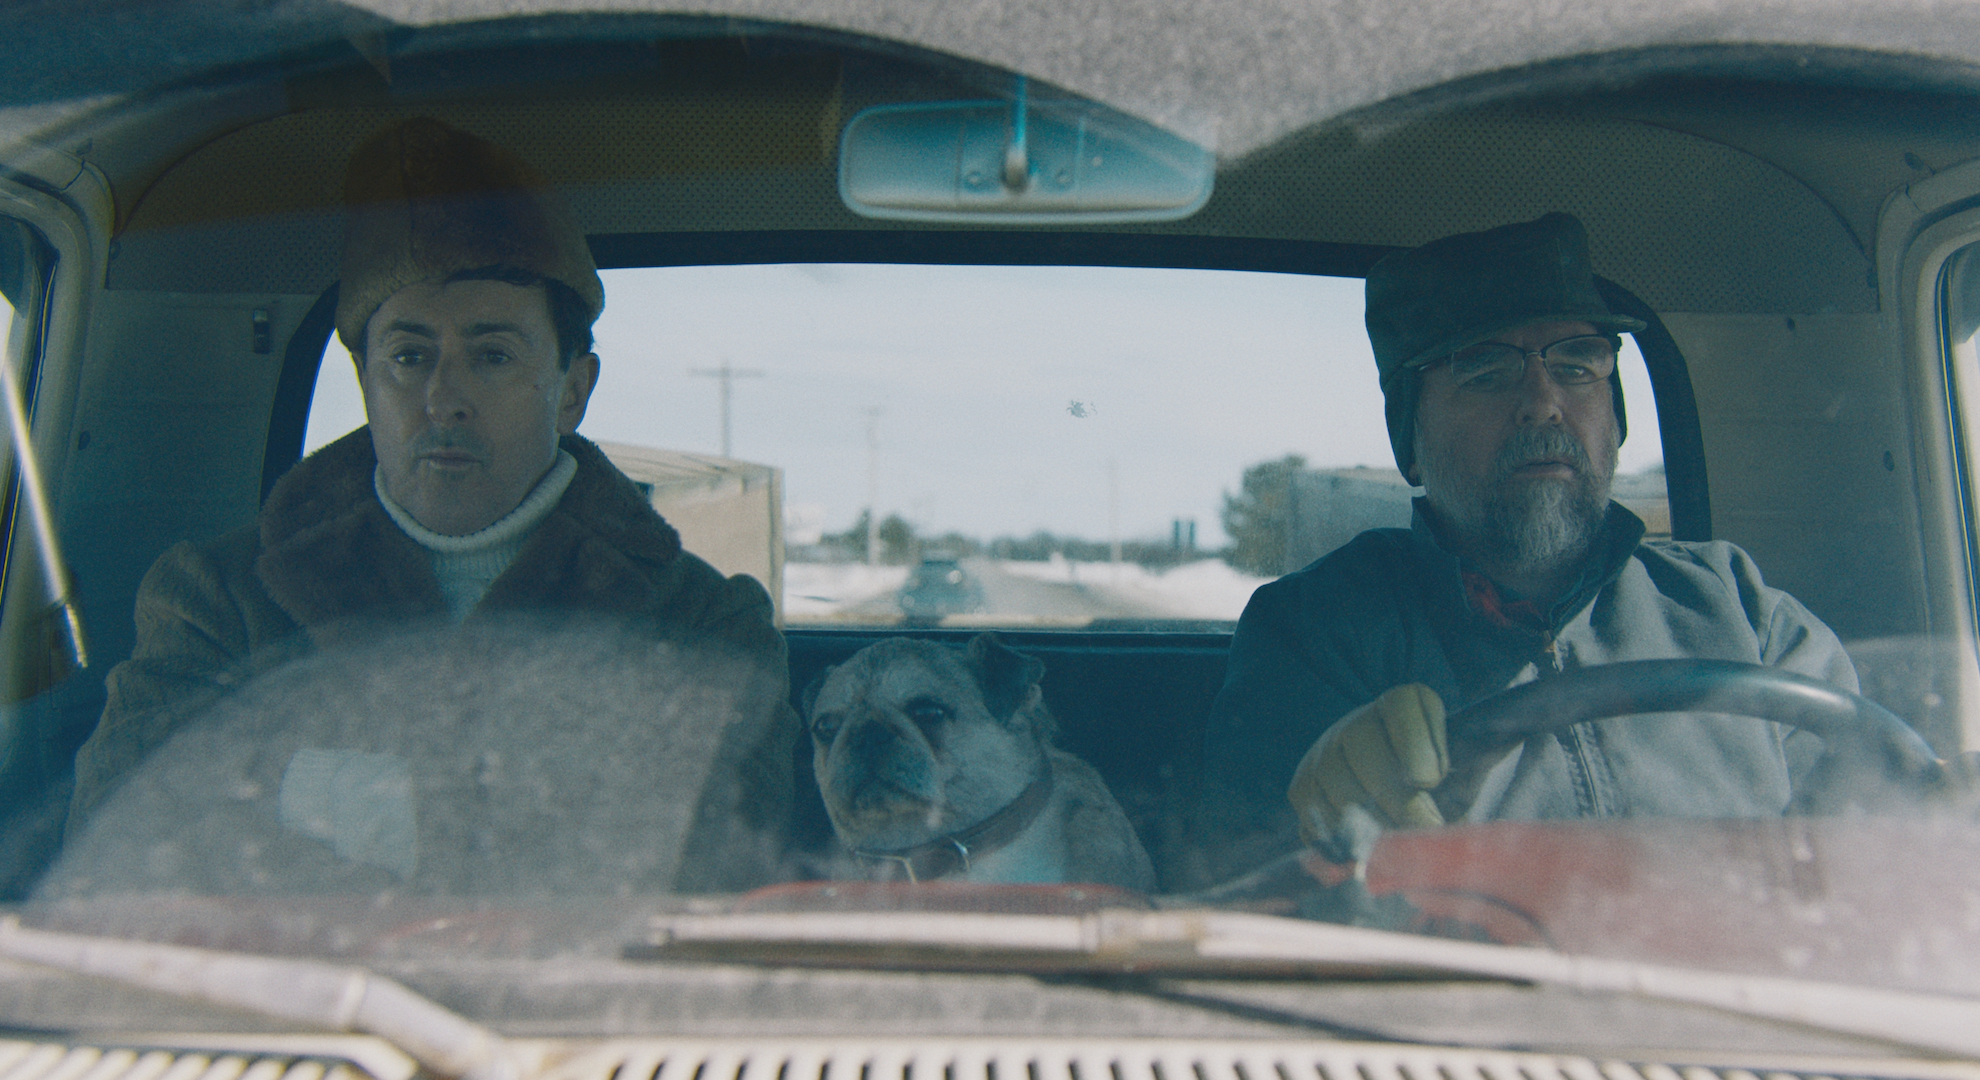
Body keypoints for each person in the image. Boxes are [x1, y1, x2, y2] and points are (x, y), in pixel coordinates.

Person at [66, 119, 793, 888]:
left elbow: (719, 902)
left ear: (572, 391)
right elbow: (118, 863)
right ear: (366, 381)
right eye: (409, 357)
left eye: (492, 356)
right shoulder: (220, 602)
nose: (444, 399)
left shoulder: (702, 628)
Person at [1192, 212, 1860, 883]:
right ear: (1409, 443)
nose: (1542, 403)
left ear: (1616, 418)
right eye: (1484, 372)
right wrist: (1329, 818)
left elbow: (1884, 860)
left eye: (1577, 366)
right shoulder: (1316, 631)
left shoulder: (1741, 611)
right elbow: (1238, 894)